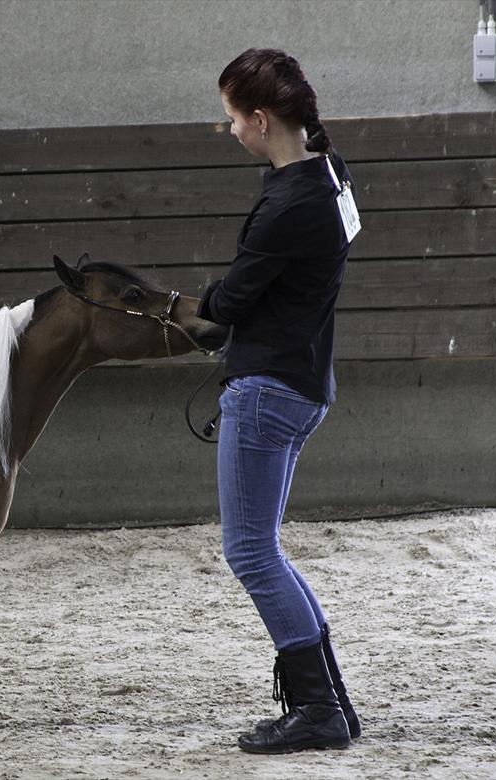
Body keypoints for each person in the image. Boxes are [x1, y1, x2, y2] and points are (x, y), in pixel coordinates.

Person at [197, 48, 362, 754]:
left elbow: (228, 303)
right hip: (304, 378)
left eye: (233, 118)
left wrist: (202, 303)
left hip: (267, 387)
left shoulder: (288, 205)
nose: (229, 129)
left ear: (261, 119)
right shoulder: (328, 174)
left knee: (250, 551)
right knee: (265, 550)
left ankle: (320, 709)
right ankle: (327, 703)